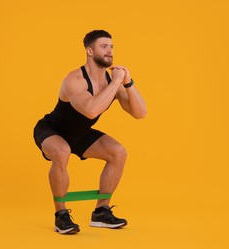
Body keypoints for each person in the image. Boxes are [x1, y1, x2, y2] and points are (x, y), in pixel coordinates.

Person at [33, 30, 147, 234]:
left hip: (80, 133)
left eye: (111, 46)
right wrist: (115, 82)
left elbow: (140, 113)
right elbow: (92, 109)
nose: (110, 51)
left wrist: (127, 83)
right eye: (104, 46)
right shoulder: (74, 79)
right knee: (62, 151)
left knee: (118, 152)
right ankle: (61, 216)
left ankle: (101, 212)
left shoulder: (112, 83)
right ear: (89, 50)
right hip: (52, 129)